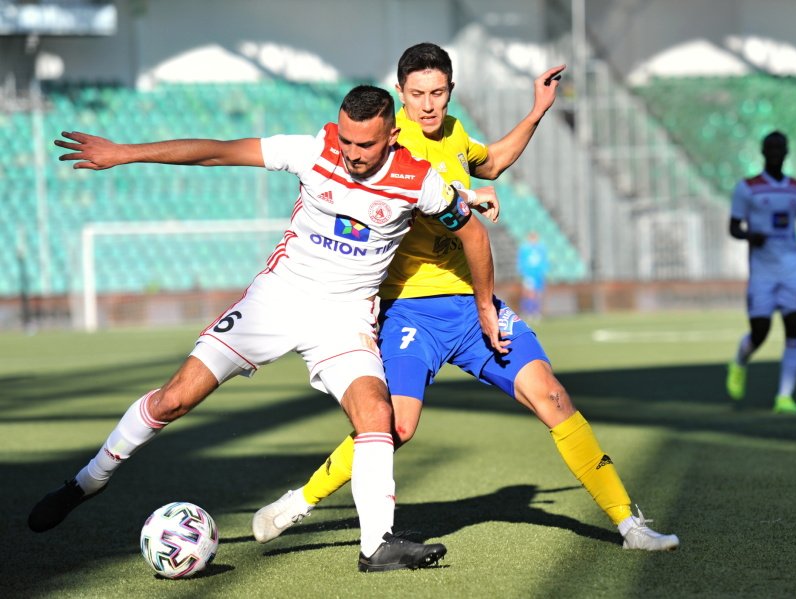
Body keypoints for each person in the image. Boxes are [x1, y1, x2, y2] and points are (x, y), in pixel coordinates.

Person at [28, 85, 506, 573]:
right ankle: (89, 481)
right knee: (174, 399)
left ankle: (376, 545)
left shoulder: (418, 181)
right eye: (346, 140)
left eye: (364, 144)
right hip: (277, 300)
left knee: (376, 414)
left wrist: (484, 305)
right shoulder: (314, 151)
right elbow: (218, 152)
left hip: (344, 316)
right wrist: (124, 153)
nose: (352, 153)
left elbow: (472, 232)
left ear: (392, 135)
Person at [252, 43, 679, 552]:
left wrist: (537, 112)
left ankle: (630, 526)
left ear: (450, 90)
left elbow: (491, 161)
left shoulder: (455, 133)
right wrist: (469, 198)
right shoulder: (388, 145)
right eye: (417, 94)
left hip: (472, 306)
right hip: (409, 310)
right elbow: (414, 200)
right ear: (400, 94)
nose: (428, 105)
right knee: (396, 425)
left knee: (552, 397)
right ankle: (300, 500)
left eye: (437, 93)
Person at [726, 130, 796, 413]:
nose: (776, 153)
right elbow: (733, 227)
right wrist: (749, 236)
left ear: (787, 152)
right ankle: (739, 361)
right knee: (760, 331)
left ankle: (785, 397)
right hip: (762, 272)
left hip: (791, 270)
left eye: (780, 148)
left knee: (793, 328)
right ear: (763, 152)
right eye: (771, 148)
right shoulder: (747, 188)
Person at [517, 231, 550, 321]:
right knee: (529, 293)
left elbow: (544, 261)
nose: (533, 239)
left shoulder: (541, 248)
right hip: (529, 274)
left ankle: (536, 312)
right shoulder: (524, 248)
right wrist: (523, 272)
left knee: (537, 294)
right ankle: (527, 312)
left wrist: (544, 271)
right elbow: (521, 261)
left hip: (538, 274)